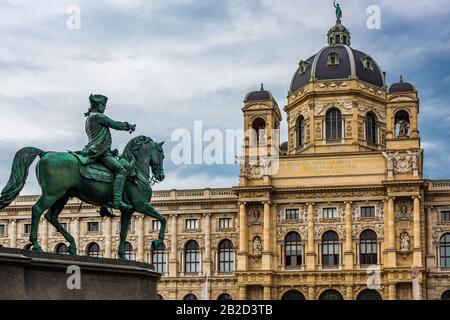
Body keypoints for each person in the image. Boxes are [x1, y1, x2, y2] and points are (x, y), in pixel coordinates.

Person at [82, 94, 136, 211]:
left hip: (97, 150)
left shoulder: (89, 118)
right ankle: (117, 201)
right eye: (104, 106)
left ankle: (104, 206)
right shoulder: (97, 116)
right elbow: (115, 124)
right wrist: (128, 126)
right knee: (121, 170)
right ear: (98, 105)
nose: (104, 108)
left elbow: (97, 137)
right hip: (100, 152)